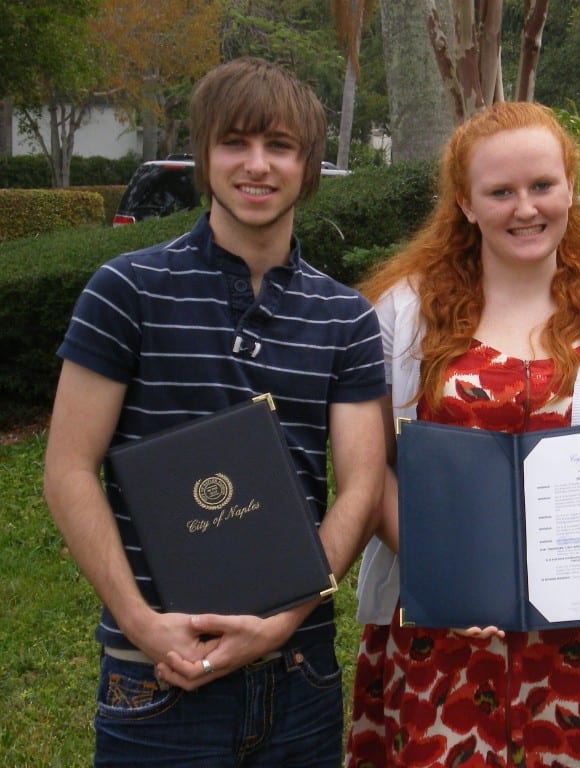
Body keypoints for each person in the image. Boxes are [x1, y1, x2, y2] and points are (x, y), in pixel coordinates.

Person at [42, 57, 387, 767]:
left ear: (309, 164)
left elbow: (359, 486)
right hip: (155, 675)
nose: (256, 166)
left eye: (280, 146)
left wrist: (281, 624)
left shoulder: (346, 318)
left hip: (299, 675)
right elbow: (69, 470)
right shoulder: (125, 292)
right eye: (235, 142)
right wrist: (142, 625)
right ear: (203, 154)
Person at [344, 101, 580, 768]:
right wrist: (455, 580)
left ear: (570, 187)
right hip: (439, 627)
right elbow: (370, 475)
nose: (526, 208)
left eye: (542, 185)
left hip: (578, 641)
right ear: (465, 201)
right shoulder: (401, 315)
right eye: (501, 191)